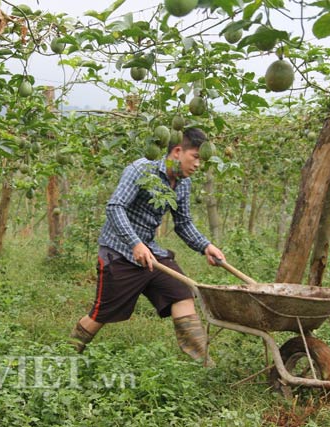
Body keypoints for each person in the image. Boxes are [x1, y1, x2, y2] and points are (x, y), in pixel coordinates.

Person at [69, 127, 225, 365]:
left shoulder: (182, 183)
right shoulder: (142, 169)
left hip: (150, 253)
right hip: (118, 252)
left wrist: (205, 246)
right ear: (177, 151)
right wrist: (135, 243)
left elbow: (183, 222)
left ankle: (203, 363)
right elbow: (115, 207)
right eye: (195, 158)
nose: (197, 165)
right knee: (102, 313)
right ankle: (66, 354)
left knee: (182, 293)